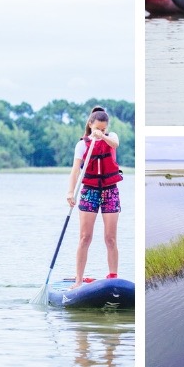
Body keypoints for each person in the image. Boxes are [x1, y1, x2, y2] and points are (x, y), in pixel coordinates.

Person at [66, 106, 123, 289]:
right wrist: (70, 192)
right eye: (97, 128)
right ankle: (78, 280)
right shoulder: (82, 144)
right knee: (85, 237)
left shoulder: (111, 136)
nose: (100, 131)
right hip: (89, 190)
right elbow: (75, 170)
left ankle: (113, 277)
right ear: (90, 125)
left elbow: (115, 144)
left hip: (110, 190)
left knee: (110, 238)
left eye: (103, 128)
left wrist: (103, 136)